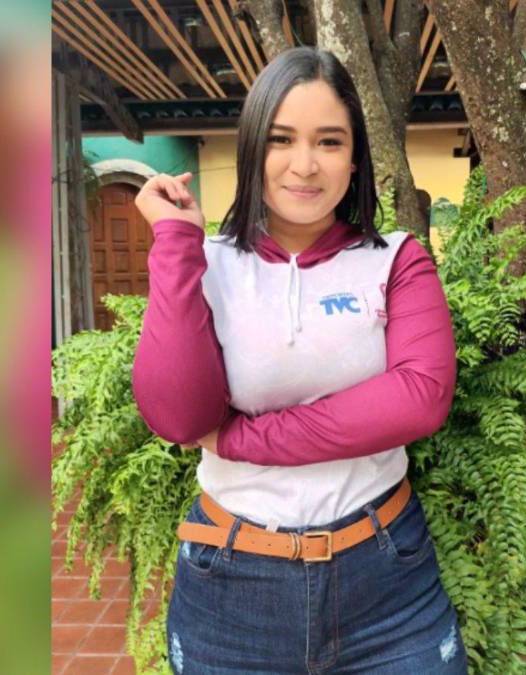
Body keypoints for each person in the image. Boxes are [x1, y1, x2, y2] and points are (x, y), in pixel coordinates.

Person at [132, 47, 467, 674]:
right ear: (252, 148)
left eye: (329, 141)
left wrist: (241, 439)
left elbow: (420, 398)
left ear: (355, 157)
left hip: (387, 583)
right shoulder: (210, 262)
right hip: (231, 589)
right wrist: (176, 242)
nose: (305, 165)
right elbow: (179, 417)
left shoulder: (396, 259)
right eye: (281, 139)